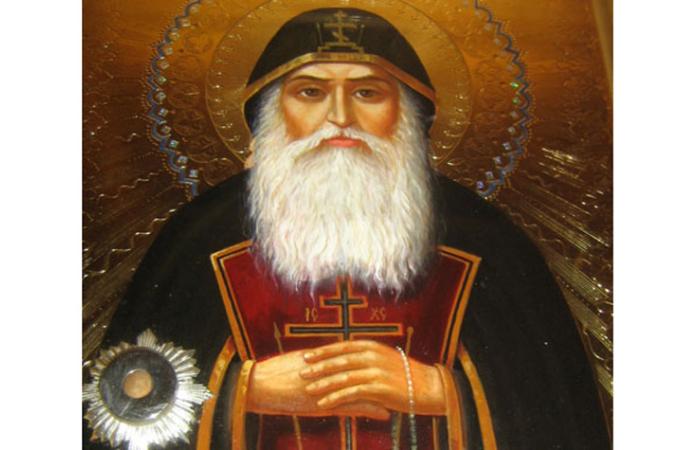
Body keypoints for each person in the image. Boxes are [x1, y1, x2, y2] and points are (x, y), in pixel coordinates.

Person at [84, 8, 609, 450]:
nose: (339, 116)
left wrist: (437, 390)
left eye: (367, 92)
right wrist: (246, 387)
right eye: (310, 92)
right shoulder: (200, 238)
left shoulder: (487, 241)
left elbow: (559, 410)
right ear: (270, 115)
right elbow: (118, 405)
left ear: (409, 117)